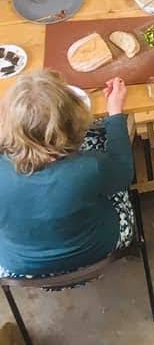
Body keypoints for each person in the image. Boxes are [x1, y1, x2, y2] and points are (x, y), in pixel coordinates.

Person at [0, 71, 134, 278]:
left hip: (19, 265)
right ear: (71, 123)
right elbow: (124, 173)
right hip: (94, 249)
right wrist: (115, 113)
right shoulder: (88, 167)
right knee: (112, 175)